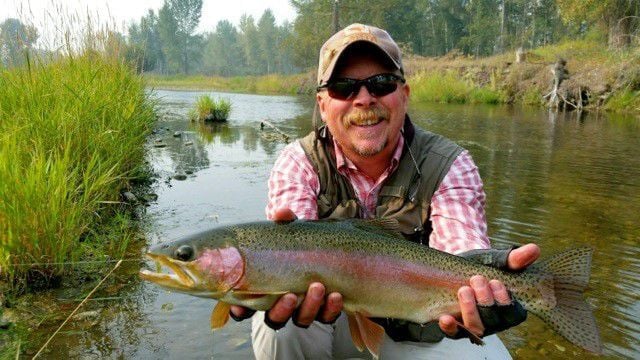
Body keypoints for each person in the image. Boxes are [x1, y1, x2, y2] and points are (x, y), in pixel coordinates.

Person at [230, 23, 540, 359]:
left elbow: (461, 250)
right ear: (322, 104)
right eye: (343, 87)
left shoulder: (449, 164)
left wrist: (486, 287)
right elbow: (288, 259)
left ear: (404, 95)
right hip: (325, 324)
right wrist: (245, 293)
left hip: (417, 325)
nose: (364, 99)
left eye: (381, 84)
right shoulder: (299, 161)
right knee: (277, 325)